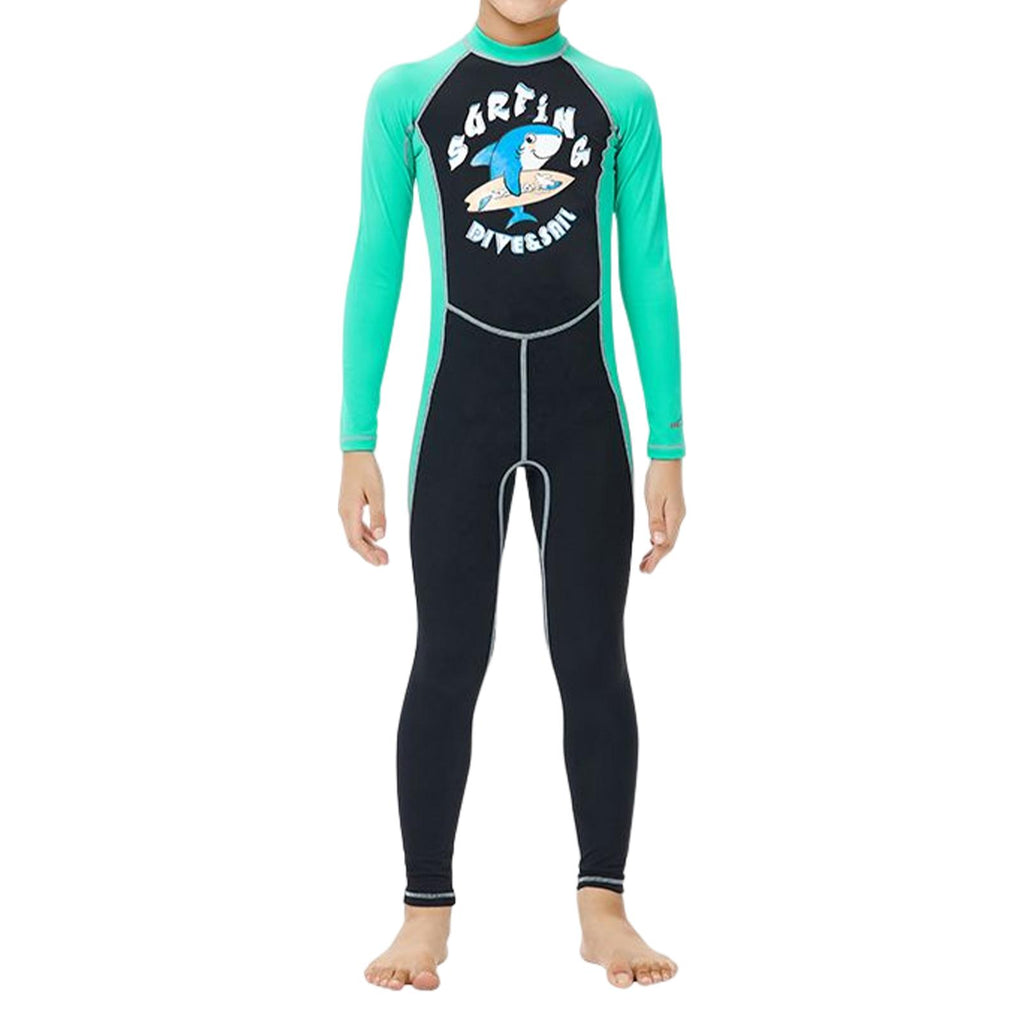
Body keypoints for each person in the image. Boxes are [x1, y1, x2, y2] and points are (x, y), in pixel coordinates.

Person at [338, 0, 686, 990]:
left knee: (592, 654)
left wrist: (667, 444)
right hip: (461, 412)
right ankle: (424, 914)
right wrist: (357, 440)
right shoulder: (408, 96)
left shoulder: (621, 100)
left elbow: (649, 270)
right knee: (447, 654)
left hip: (587, 418)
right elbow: (376, 263)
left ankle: (604, 907)